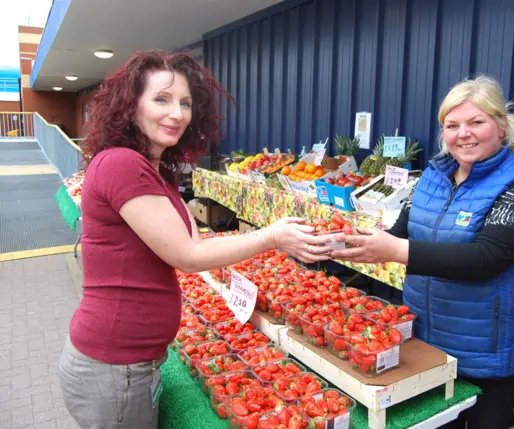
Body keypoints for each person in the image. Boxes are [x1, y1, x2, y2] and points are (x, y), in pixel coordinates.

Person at [58, 50, 333, 429]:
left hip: (129, 362)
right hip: (114, 365)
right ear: (130, 105)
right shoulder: (122, 163)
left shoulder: (154, 170)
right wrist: (272, 237)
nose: (177, 114)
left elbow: (193, 237)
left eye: (185, 103)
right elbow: (189, 255)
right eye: (162, 99)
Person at [331, 75, 514, 429]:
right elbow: (401, 233)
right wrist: (353, 243)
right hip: (427, 340)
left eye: (476, 122)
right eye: (452, 125)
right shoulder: (432, 178)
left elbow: (484, 260)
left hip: (488, 351)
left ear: (501, 127)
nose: (463, 133)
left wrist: (394, 248)